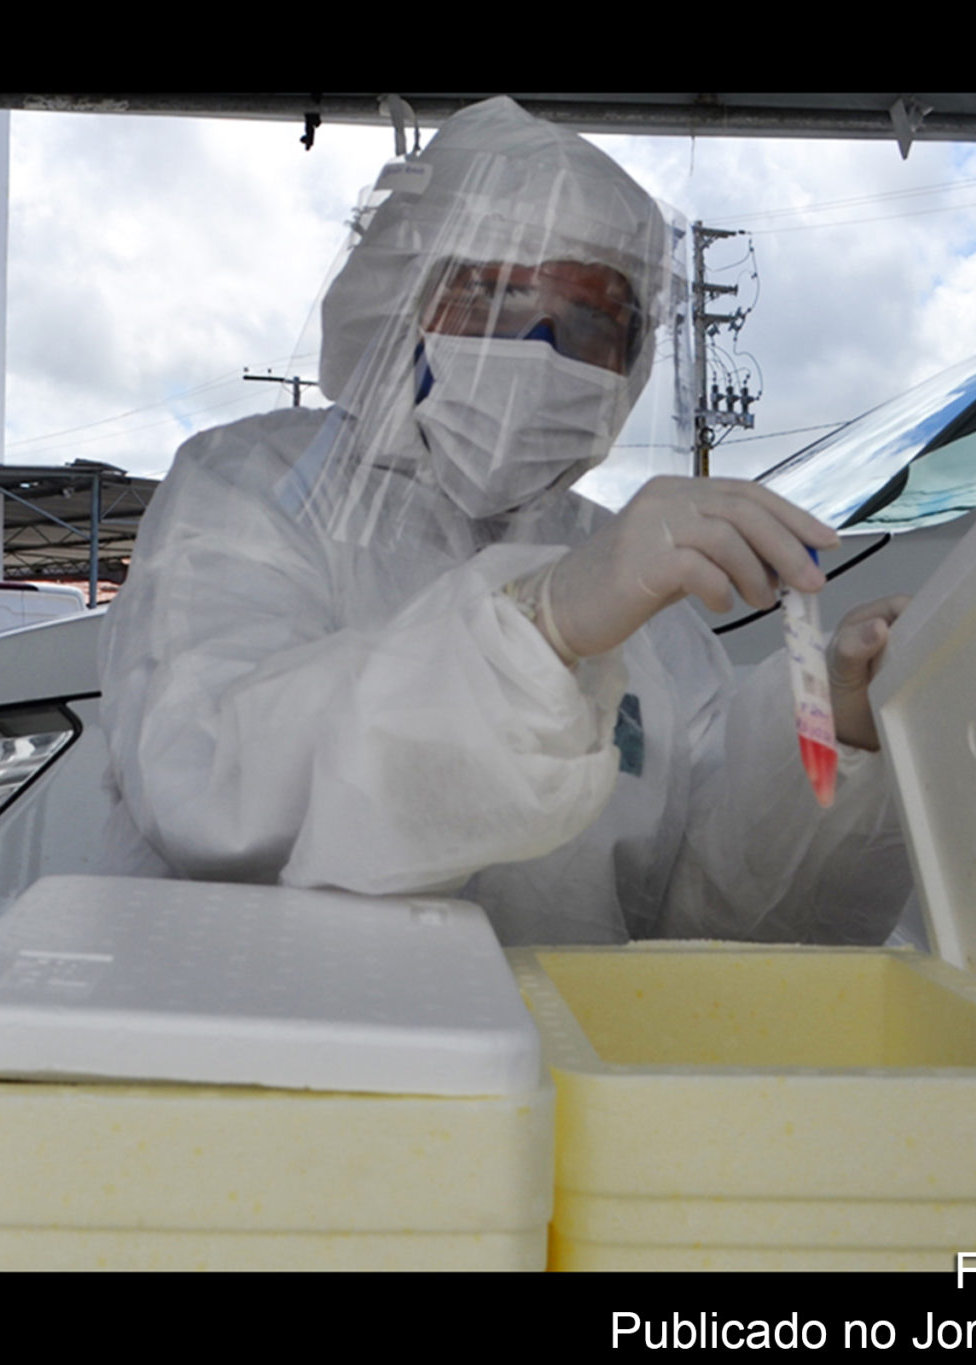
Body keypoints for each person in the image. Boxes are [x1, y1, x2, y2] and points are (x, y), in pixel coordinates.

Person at [98, 96, 911, 946]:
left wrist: (835, 730)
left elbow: (717, 907)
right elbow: (213, 788)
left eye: (594, 320)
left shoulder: (628, 576)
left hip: (560, 1033)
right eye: (495, 295)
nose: (540, 345)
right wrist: (535, 630)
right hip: (267, 1021)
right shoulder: (251, 493)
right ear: (400, 295)